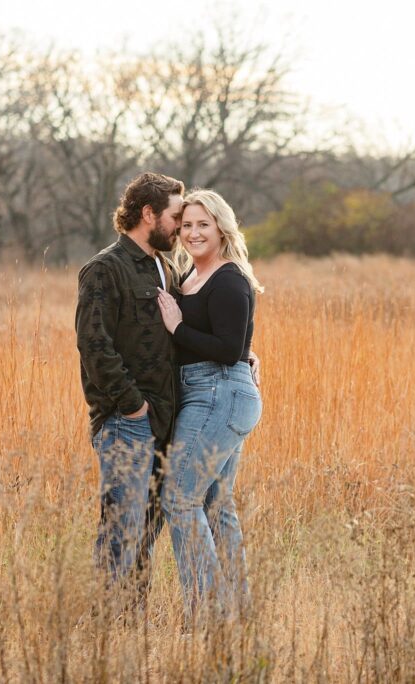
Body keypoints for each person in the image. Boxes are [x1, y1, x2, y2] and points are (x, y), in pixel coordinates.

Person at [75, 172, 184, 610]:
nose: (181, 225)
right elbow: (93, 344)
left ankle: (131, 628)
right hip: (127, 423)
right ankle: (108, 630)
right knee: (119, 531)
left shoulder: (167, 266)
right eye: (176, 216)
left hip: (164, 421)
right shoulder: (106, 268)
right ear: (148, 213)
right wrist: (132, 406)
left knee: (146, 529)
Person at [156, 189, 263, 623]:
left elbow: (227, 348)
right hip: (209, 392)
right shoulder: (190, 277)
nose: (193, 233)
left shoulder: (229, 278)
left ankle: (210, 612)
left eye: (203, 224)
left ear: (221, 227)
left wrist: (177, 327)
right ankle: (236, 610)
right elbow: (238, 344)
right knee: (217, 505)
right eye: (186, 226)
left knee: (180, 497)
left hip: (220, 393)